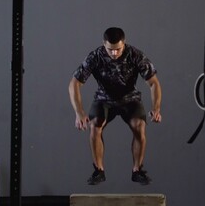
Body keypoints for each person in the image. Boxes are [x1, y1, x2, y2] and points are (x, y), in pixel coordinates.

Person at [68, 27, 162, 185]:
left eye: (118, 49)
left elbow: (154, 83)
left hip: (130, 99)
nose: (114, 53)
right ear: (103, 44)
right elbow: (74, 83)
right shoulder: (96, 56)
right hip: (104, 99)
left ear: (124, 43)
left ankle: (137, 170)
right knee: (94, 126)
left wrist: (156, 108)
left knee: (139, 126)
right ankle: (99, 170)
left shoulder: (135, 55)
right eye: (110, 50)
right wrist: (79, 112)